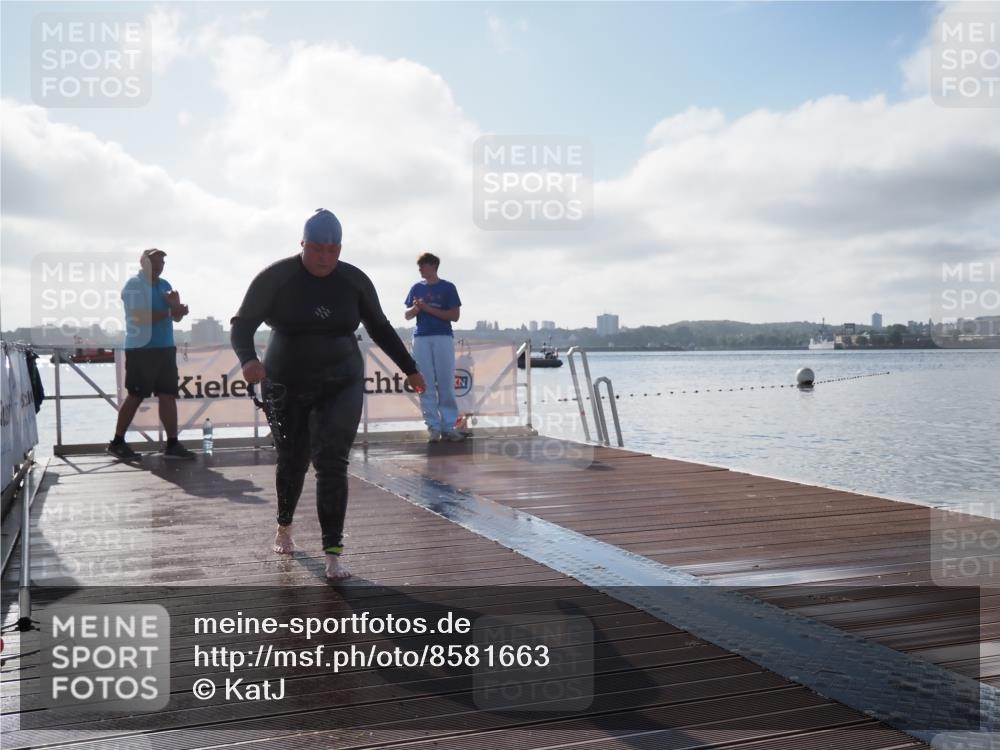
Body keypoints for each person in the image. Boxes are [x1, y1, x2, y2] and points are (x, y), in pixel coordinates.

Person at [231, 209, 426, 580]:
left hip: (342, 379)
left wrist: (410, 368)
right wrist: (248, 360)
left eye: (331, 250)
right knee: (292, 459)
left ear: (339, 248)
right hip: (287, 380)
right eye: (316, 248)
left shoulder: (353, 281)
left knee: (332, 462)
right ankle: (284, 525)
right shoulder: (276, 277)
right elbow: (242, 325)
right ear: (303, 244)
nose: (323, 257)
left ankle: (333, 551)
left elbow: (381, 328)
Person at [107, 248, 195, 461]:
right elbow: (139, 318)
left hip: (165, 347)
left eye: (162, 263)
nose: (159, 267)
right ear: (143, 263)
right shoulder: (134, 286)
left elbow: (175, 319)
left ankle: (172, 443)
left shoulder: (165, 285)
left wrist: (178, 309)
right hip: (141, 349)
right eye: (154, 263)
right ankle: (117, 442)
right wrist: (170, 311)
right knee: (136, 395)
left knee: (167, 395)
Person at [405, 252, 463, 442]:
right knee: (425, 383)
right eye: (419, 266)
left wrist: (428, 308)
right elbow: (407, 315)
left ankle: (448, 426)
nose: (420, 269)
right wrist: (417, 308)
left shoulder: (448, 287)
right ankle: (433, 426)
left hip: (442, 337)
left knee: (445, 382)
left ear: (433, 266)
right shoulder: (416, 288)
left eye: (423, 266)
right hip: (421, 338)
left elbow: (454, 315)